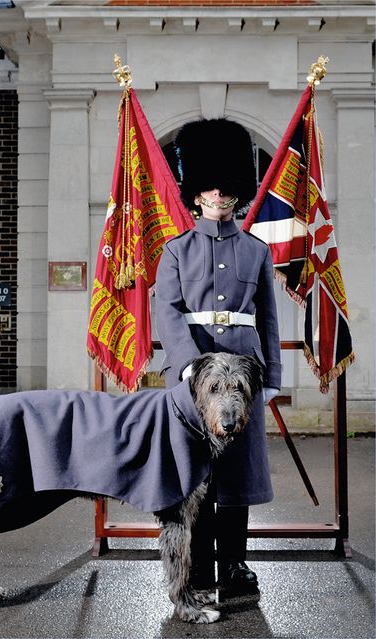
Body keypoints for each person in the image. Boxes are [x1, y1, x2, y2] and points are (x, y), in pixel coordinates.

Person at [155, 118, 281, 595]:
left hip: (244, 371)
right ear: (196, 195)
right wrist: (188, 365)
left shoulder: (255, 251)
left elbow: (266, 317)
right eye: (211, 187)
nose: (220, 196)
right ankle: (199, 568)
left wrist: (271, 376)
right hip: (194, 376)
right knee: (198, 471)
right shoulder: (176, 250)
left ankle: (233, 563)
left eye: (228, 188)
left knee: (238, 473)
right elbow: (166, 309)